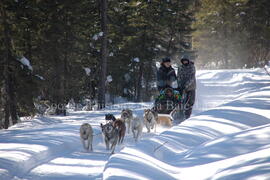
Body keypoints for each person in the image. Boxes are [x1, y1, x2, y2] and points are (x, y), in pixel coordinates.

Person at [177, 55, 196, 119]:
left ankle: (188, 116)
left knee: (189, 102)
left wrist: (186, 86)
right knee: (180, 101)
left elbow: (192, 78)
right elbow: (178, 76)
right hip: (182, 87)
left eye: (186, 61)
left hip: (191, 87)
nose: (185, 62)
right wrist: (179, 85)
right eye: (183, 61)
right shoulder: (180, 67)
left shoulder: (192, 67)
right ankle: (180, 114)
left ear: (188, 61)